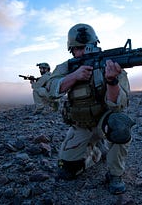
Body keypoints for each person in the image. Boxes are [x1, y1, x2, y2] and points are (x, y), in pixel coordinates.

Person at [48, 23, 134, 195]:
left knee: (120, 124)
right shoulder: (66, 67)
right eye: (78, 48)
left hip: (104, 121)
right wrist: (75, 76)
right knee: (67, 171)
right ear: (71, 50)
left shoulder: (110, 63)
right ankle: (96, 152)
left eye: (88, 47)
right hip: (81, 124)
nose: (83, 52)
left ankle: (115, 174)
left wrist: (112, 81)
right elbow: (51, 90)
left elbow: (119, 104)